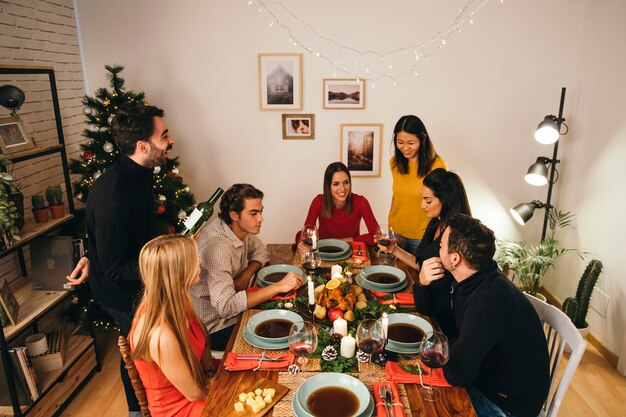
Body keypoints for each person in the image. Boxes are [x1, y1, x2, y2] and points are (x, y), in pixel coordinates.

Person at [69, 105, 175, 417]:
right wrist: (167, 263)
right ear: (143, 146)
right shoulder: (113, 196)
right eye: (164, 135)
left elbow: (110, 240)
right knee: (140, 355)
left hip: (135, 277)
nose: (171, 140)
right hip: (121, 291)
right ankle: (137, 411)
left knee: (145, 350)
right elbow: (115, 267)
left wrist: (91, 256)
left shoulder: (140, 173)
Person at [433, 214, 550, 417]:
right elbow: (455, 333)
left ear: (455, 258)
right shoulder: (477, 280)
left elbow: (457, 373)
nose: (438, 249)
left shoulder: (487, 299)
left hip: (508, 406)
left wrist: (442, 347)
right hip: (489, 379)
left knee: (428, 400)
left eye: (442, 245)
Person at [190, 183, 302, 350]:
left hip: (235, 308)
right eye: (253, 213)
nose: (260, 218)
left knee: (293, 311)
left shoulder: (239, 230)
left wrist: (246, 274)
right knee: (289, 333)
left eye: (260, 211)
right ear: (234, 215)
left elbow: (262, 252)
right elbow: (226, 307)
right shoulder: (217, 248)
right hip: (215, 327)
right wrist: (279, 286)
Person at [379, 168, 470, 339]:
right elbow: (420, 263)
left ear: (446, 200)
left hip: (441, 318)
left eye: (428, 201)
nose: (422, 205)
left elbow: (438, 293)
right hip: (425, 299)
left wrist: (421, 283)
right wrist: (394, 249)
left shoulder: (456, 237)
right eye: (422, 199)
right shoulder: (435, 224)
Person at [130, 235, 212, 417]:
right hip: (182, 409)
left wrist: (212, 373)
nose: (199, 260)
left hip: (202, 383)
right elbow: (194, 394)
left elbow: (203, 345)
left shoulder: (178, 302)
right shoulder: (161, 335)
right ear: (178, 271)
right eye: (193, 257)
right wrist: (225, 388)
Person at [388, 115, 446, 253]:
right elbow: (396, 195)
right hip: (395, 232)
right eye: (400, 142)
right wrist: (390, 222)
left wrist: (437, 235)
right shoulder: (395, 163)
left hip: (422, 236)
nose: (405, 148)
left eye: (411, 143)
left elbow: (442, 202)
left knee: (419, 273)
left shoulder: (437, 166)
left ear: (422, 139)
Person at [295, 161, 379, 247]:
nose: (342, 189)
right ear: (328, 186)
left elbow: (377, 237)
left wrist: (344, 240)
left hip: (351, 249)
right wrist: (301, 242)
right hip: (324, 250)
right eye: (336, 184)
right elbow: (304, 234)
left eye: (346, 182)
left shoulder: (361, 202)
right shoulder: (319, 201)